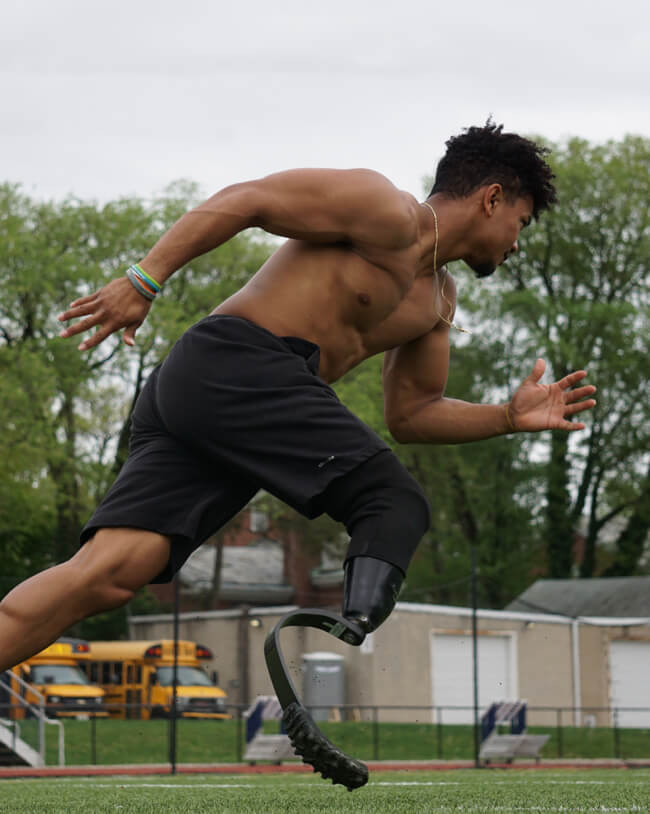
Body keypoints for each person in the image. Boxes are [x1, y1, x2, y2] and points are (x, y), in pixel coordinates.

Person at [0, 122, 596, 675]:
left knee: (107, 576)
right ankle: (347, 629)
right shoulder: (381, 208)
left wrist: (506, 418)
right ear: (491, 198)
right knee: (392, 501)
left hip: (229, 407)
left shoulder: (436, 303)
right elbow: (249, 199)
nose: (517, 244)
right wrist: (143, 279)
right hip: (235, 362)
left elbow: (411, 415)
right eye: (520, 222)